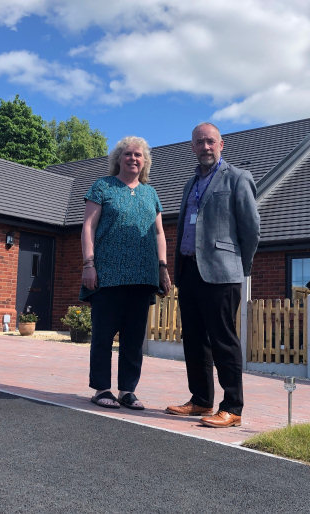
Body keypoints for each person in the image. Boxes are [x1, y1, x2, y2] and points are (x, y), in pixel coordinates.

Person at [165, 122, 260, 428]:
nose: (205, 147)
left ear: (222, 145)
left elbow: (251, 230)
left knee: (223, 339)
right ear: (192, 147)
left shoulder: (238, 178)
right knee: (193, 338)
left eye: (210, 142)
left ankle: (232, 407)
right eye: (199, 142)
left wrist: (240, 268)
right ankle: (200, 400)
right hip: (189, 269)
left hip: (222, 272)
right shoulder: (189, 183)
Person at [81, 136, 171, 410]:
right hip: (107, 274)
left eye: (138, 155)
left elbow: (159, 233)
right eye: (128, 154)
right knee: (103, 335)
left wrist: (163, 268)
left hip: (143, 277)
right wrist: (88, 264)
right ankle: (101, 389)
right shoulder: (102, 187)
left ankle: (128, 391)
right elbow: (88, 227)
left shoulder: (151, 193)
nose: (133, 159)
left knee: (133, 339)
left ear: (145, 162)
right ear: (118, 159)